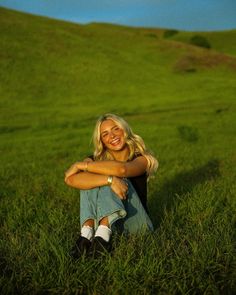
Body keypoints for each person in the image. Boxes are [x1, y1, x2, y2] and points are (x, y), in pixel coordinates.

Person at [64, 113, 158, 258]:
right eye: (105, 134)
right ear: (101, 140)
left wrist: (80, 165)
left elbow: (122, 169)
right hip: (108, 224)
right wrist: (109, 180)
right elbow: (71, 180)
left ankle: (101, 235)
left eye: (116, 129)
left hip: (137, 224)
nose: (112, 136)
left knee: (116, 177)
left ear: (124, 130)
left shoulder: (142, 159)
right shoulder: (95, 160)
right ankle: (87, 236)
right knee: (90, 180)